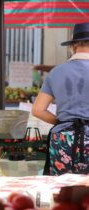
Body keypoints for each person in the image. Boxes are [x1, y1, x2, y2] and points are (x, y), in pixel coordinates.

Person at [32, 22, 89, 175]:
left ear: (73, 46)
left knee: (61, 191)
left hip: (62, 140)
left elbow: (38, 110)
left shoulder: (56, 72)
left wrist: (63, 121)